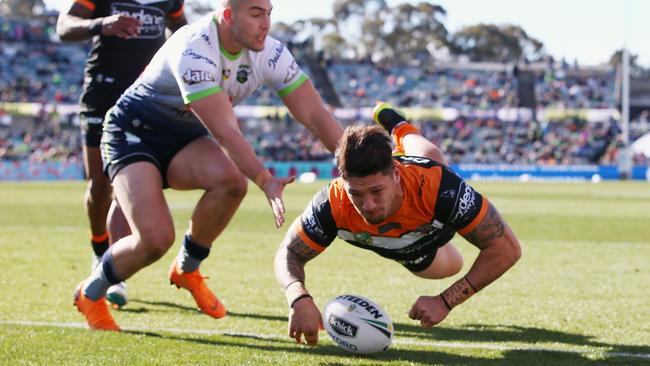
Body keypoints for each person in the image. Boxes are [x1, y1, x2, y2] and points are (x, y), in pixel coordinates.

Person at [72, 0, 343, 331]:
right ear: (228, 15)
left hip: (184, 138)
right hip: (133, 133)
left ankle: (186, 270)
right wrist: (264, 178)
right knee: (155, 240)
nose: (266, 24)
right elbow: (224, 131)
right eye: (256, 13)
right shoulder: (195, 46)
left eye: (269, 13)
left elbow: (315, 114)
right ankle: (91, 292)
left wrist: (353, 165)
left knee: (231, 183)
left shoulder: (271, 53)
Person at [274, 103, 521, 345]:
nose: (368, 205)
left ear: (395, 172)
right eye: (356, 194)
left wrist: (446, 300)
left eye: (376, 191)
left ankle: (397, 125)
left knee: (432, 158)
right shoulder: (332, 203)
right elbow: (289, 251)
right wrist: (298, 298)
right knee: (451, 266)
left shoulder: (440, 188)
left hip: (433, 224)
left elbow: (506, 249)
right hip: (410, 251)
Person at [57, 0, 188, 307]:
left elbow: (182, 32)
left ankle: (114, 269)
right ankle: (99, 250)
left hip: (145, 98)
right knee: (100, 186)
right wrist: (101, 24)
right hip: (102, 93)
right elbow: (64, 27)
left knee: (125, 187)